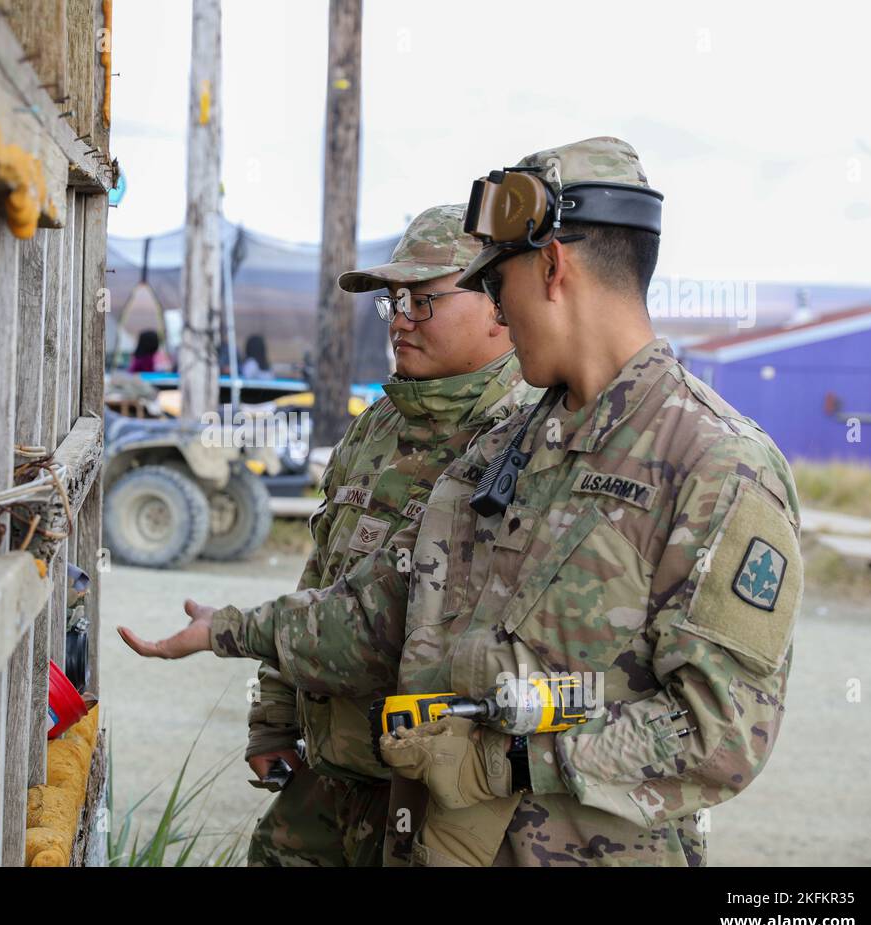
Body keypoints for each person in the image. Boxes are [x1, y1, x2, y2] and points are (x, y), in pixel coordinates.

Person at [119, 137, 802, 867]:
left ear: (551, 266)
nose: (500, 311)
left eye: (496, 281)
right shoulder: (508, 445)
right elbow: (388, 610)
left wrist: (507, 761)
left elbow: (720, 734)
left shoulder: (717, 466)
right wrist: (236, 630)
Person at [156, 204, 540, 867]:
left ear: (499, 304)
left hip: (442, 796)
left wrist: (234, 630)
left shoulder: (527, 442)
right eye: (393, 301)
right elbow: (321, 578)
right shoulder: (382, 422)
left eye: (424, 300)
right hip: (332, 777)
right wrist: (273, 715)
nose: (399, 319)